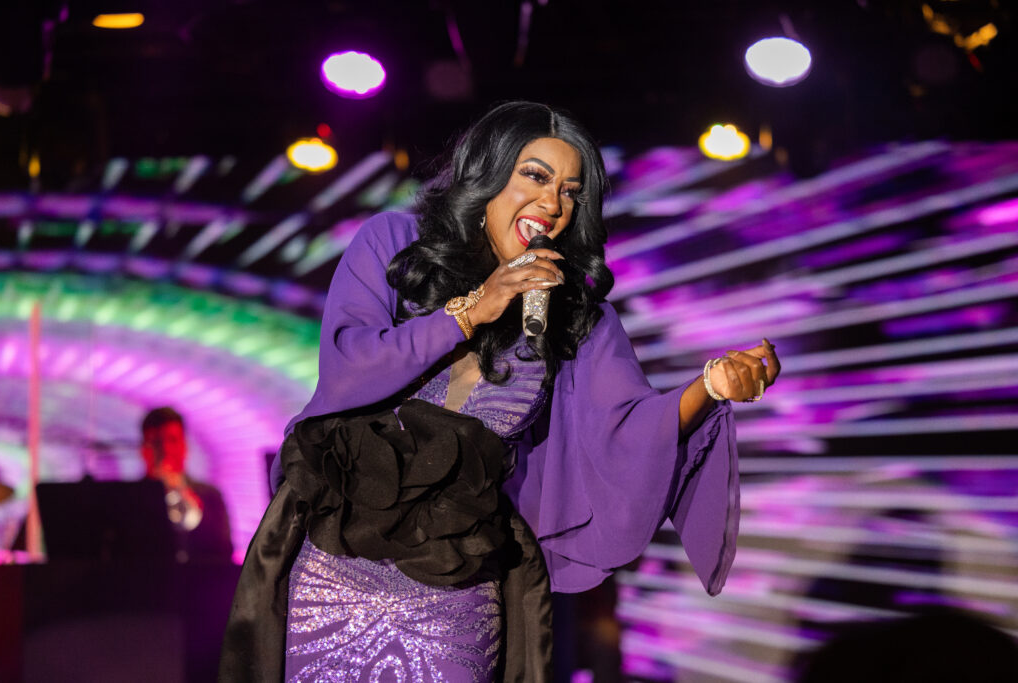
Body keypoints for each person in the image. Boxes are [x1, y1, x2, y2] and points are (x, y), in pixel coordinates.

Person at [220, 101, 781, 682]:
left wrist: (711, 385)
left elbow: (628, 430)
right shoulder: (395, 246)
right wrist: (471, 311)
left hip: (457, 583)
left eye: (570, 192)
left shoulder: (574, 314)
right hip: (336, 568)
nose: (552, 204)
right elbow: (350, 366)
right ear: (487, 173)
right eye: (535, 176)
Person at [141, 406, 233, 561]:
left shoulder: (211, 497)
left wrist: (188, 499)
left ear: (185, 446)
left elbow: (224, 553)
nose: (166, 450)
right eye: (157, 442)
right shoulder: (132, 500)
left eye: (173, 440)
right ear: (143, 449)